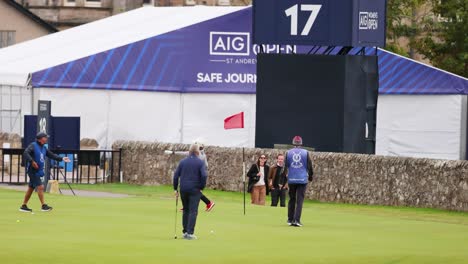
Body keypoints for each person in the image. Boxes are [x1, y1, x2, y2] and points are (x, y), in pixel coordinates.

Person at [20, 132, 71, 212]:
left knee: (30, 188)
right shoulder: (33, 145)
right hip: (32, 170)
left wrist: (61, 159)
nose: (46, 138)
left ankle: (23, 206)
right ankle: (43, 206)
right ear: (40, 139)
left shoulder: (43, 148)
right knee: (40, 187)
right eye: (45, 137)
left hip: (38, 171)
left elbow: (51, 155)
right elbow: (26, 153)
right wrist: (32, 161)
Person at [173, 144, 207, 240]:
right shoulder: (200, 163)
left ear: (189, 152)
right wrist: (201, 187)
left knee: (186, 210)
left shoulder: (182, 162)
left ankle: (185, 232)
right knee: (193, 211)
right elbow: (204, 176)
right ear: (197, 152)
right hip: (195, 189)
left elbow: (176, 176)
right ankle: (190, 233)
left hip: (183, 189)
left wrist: (175, 189)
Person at [285, 136, 313, 227]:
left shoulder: (288, 152)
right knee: (299, 201)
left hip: (291, 179)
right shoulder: (306, 152)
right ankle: (297, 220)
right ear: (301, 143)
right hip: (302, 179)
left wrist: (283, 179)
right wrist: (311, 176)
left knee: (292, 199)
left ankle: (290, 219)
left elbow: (285, 167)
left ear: (293, 143)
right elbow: (309, 166)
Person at [193, 140, 215, 212]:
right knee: (194, 191)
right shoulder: (201, 154)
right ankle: (188, 207)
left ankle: (208, 202)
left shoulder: (201, 155)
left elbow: (205, 166)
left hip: (199, 177)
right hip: (198, 176)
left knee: (195, 192)